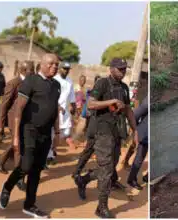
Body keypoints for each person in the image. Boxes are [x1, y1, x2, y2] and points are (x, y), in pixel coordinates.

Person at [0, 54, 60, 218]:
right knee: (26, 165)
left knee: (37, 170)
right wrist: (16, 136)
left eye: (57, 64)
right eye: (51, 64)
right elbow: (18, 108)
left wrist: (57, 132)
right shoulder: (31, 81)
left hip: (45, 134)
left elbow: (55, 111)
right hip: (29, 130)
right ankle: (7, 186)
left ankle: (29, 205)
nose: (55, 67)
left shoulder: (56, 85)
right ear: (42, 64)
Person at [75, 58, 139, 218]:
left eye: (124, 69)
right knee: (106, 170)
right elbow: (90, 104)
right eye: (120, 69)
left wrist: (135, 130)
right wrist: (111, 101)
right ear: (111, 69)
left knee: (110, 169)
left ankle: (84, 180)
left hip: (116, 131)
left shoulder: (124, 88)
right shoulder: (102, 83)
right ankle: (101, 207)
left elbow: (128, 110)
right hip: (102, 132)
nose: (123, 72)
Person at [0, 60, 35, 191]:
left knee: (15, 144)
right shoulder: (13, 83)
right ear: (23, 71)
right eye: (31, 70)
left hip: (26, 119)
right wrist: (0, 126)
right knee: (19, 148)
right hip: (14, 120)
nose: (33, 72)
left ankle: (1, 160)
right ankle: (19, 178)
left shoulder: (32, 83)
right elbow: (4, 105)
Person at [46, 62, 76, 166]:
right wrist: (58, 106)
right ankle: (49, 155)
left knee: (65, 133)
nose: (66, 71)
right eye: (64, 69)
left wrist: (73, 105)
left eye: (68, 69)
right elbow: (50, 96)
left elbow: (72, 95)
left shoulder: (69, 81)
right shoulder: (55, 80)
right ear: (59, 69)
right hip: (54, 110)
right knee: (53, 133)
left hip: (65, 112)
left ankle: (52, 150)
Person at [127, 96, 148, 190]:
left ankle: (147, 176)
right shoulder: (147, 102)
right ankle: (131, 179)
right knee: (140, 156)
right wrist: (136, 130)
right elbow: (134, 115)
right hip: (145, 133)